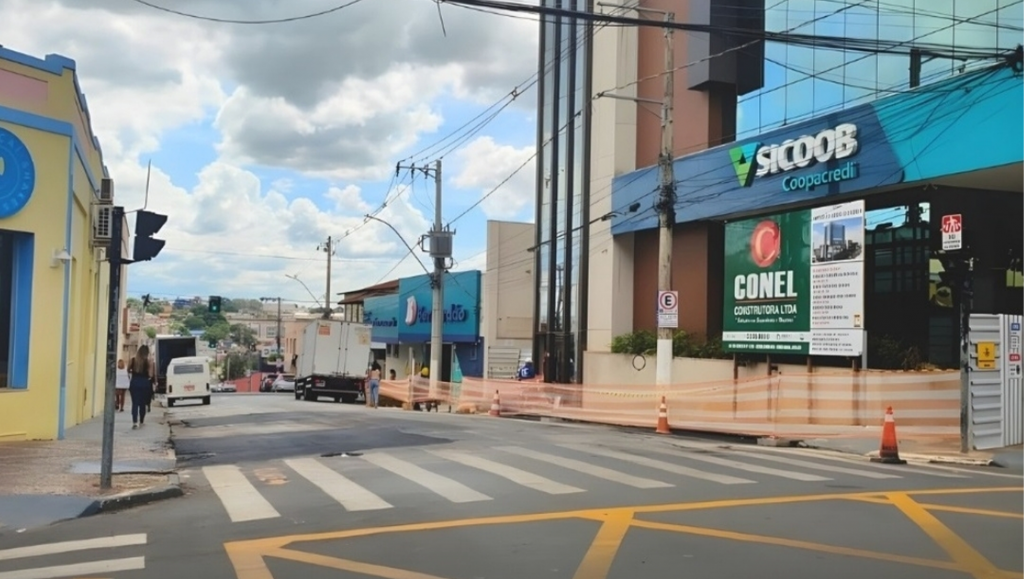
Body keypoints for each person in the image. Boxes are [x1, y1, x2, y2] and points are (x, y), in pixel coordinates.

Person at [128, 345, 155, 429]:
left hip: (135, 382)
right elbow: (150, 375)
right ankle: (141, 421)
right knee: (142, 404)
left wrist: (133, 373)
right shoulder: (148, 361)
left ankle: (135, 422)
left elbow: (128, 370)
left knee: (135, 403)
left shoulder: (133, 360)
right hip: (144, 383)